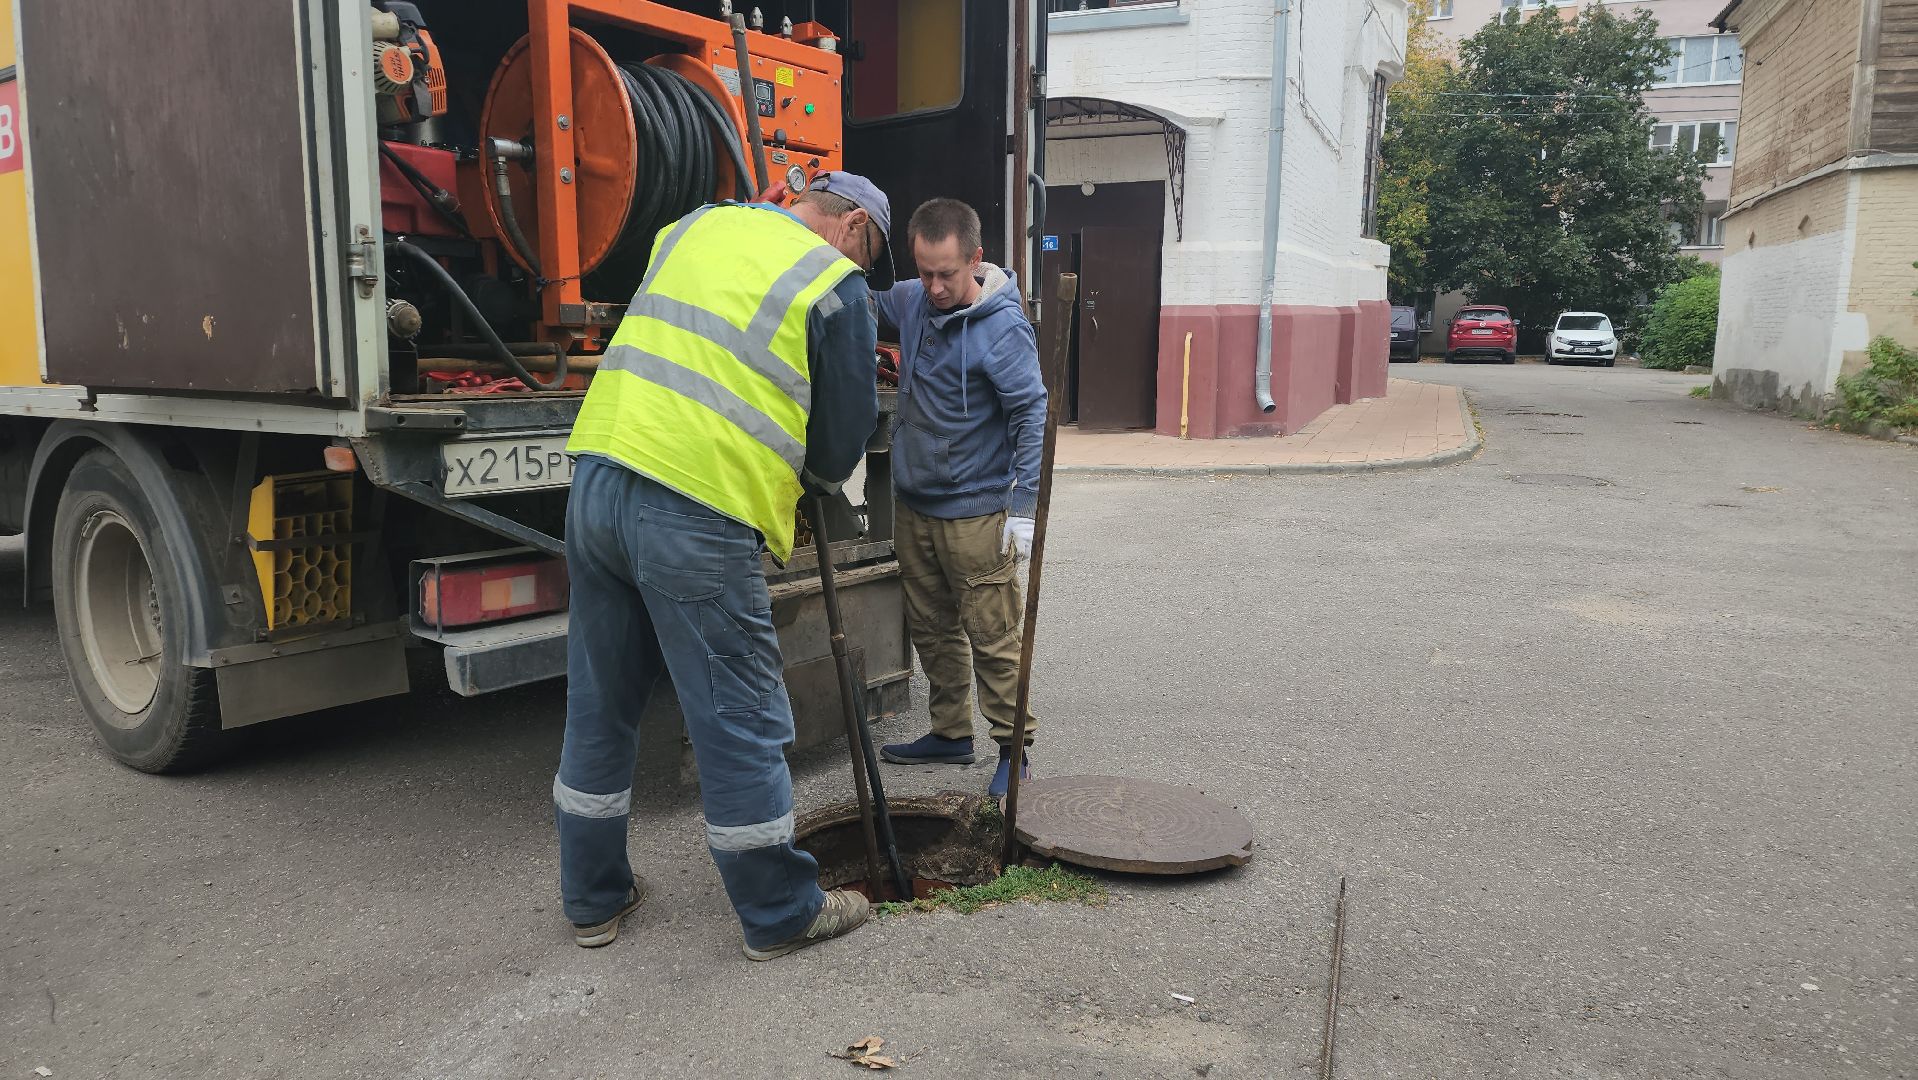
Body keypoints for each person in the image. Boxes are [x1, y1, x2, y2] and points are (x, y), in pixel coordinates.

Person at [555, 173, 897, 958]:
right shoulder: (836, 286)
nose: (863, 263)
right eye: (870, 250)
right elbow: (839, 447)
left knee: (601, 703)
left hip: (599, 478)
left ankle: (593, 901)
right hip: (695, 504)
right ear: (851, 229)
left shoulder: (695, 227)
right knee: (738, 716)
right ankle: (780, 913)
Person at [874, 198, 1046, 799]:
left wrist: (1022, 507)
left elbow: (1032, 412)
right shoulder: (913, 300)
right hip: (914, 501)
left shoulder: (1001, 328)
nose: (935, 286)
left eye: (946, 273)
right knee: (931, 627)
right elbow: (863, 302)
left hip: (975, 509)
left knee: (992, 632)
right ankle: (950, 733)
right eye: (924, 272)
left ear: (975, 258)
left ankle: (1014, 749)